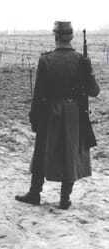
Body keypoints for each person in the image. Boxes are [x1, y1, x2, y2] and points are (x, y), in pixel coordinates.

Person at [15, 21, 100, 209]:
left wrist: (34, 116)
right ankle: (65, 199)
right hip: (73, 113)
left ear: (55, 37)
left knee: (41, 151)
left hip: (49, 111)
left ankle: (35, 193)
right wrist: (89, 70)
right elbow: (94, 91)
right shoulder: (81, 60)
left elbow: (38, 93)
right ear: (71, 37)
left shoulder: (46, 59)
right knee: (69, 153)